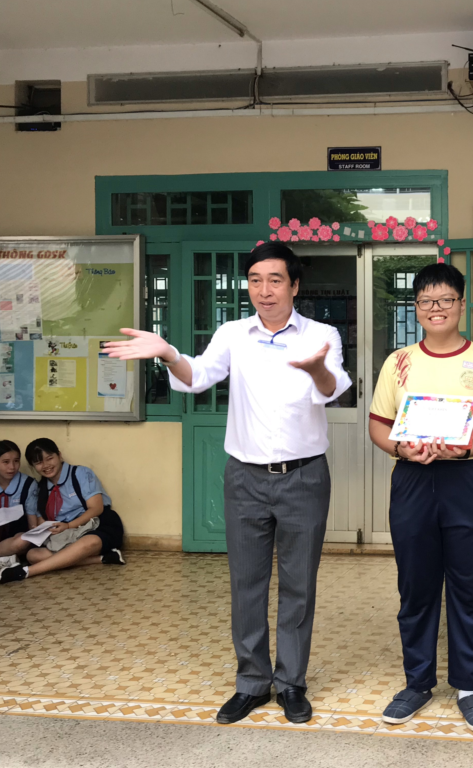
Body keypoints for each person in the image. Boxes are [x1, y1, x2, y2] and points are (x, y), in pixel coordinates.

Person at [102, 241, 352, 725]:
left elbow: (333, 389)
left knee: (299, 585)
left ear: (294, 286)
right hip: (245, 478)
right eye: (255, 280)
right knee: (246, 584)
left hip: (304, 476)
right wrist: (168, 353)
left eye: (275, 280)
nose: (264, 290)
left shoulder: (321, 335)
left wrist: (317, 367)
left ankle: (292, 683)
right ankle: (252, 682)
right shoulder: (233, 333)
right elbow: (197, 376)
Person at [367, 263, 473, 732]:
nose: (437, 308)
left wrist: (467, 447)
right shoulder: (399, 362)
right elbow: (378, 423)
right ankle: (417, 683)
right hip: (412, 480)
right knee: (415, 586)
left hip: (468, 479)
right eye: (427, 301)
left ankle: (469, 688)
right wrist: (399, 448)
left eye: (446, 300)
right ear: (417, 308)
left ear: (461, 305)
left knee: (470, 587)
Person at [0, 438, 126, 583]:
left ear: (59, 455)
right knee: (33, 555)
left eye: (49, 458)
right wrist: (44, 529)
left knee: (88, 542)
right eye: (38, 462)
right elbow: (41, 521)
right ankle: (102, 558)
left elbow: (96, 508)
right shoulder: (41, 488)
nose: (46, 466)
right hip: (65, 534)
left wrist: (69, 525)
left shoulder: (80, 473)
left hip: (97, 524)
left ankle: (26, 572)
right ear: (33, 466)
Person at [0, 439, 38, 568]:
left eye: (16, 461)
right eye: (5, 462)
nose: (12, 467)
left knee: (23, 540)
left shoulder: (28, 484)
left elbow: (32, 524)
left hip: (14, 539)